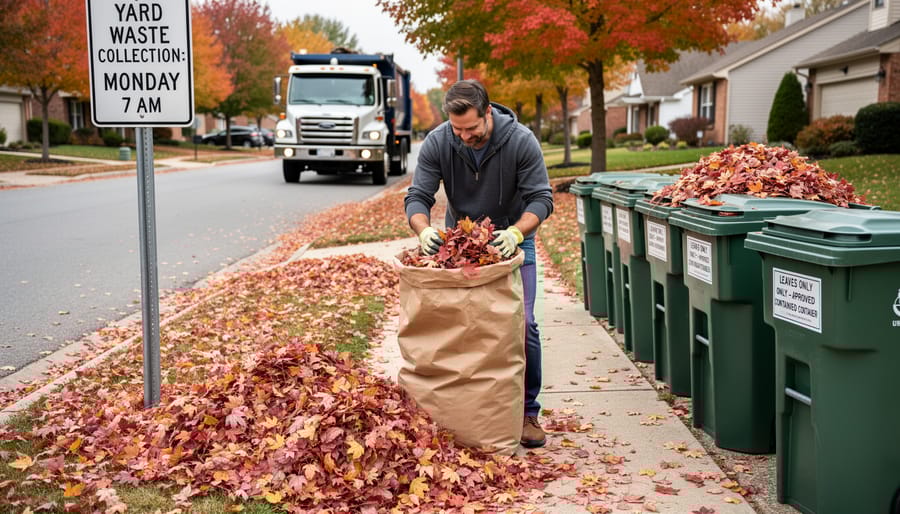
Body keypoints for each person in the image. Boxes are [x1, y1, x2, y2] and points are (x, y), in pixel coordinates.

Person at [404, 79, 554, 448]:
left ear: (488, 113)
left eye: (471, 128)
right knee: (461, 327)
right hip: (461, 246)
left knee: (524, 325)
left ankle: (526, 412)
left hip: (513, 243)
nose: (464, 136)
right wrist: (423, 231)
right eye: (458, 129)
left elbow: (542, 199)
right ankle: (462, 408)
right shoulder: (440, 142)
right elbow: (418, 196)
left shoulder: (521, 141)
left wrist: (516, 234)